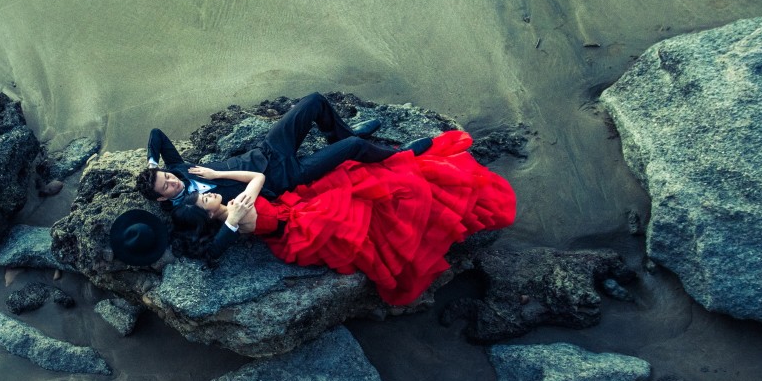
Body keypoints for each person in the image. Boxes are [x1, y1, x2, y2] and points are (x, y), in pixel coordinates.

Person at [169, 130, 516, 306]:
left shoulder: (234, 205)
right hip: (303, 225)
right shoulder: (236, 214)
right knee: (375, 197)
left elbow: (257, 178)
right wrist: (230, 221)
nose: (207, 193)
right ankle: (405, 156)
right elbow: (217, 247)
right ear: (208, 215)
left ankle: (403, 155)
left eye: (203, 193)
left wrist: (217, 173)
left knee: (353, 172)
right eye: (203, 200)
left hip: (297, 207)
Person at [136, 92, 432, 211]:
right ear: (162, 198)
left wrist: (152, 165)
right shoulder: (188, 209)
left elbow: (156, 135)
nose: (173, 181)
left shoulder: (178, 169)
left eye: (167, 176)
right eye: (167, 186)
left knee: (314, 101)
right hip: (284, 178)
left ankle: (341, 135)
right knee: (354, 148)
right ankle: (398, 155)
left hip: (266, 150)